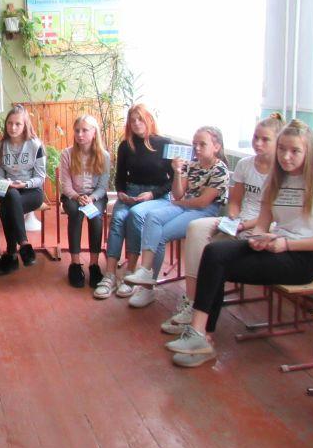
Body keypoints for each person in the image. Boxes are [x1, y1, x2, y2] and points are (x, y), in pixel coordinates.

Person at [166, 119, 313, 367]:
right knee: (214, 252)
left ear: (310, 152)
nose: (286, 156)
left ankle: (203, 336)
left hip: (303, 258)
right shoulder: (277, 180)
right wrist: (259, 238)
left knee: (219, 265)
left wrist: (286, 244)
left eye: (295, 151)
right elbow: (263, 224)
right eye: (282, 149)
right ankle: (198, 333)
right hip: (275, 245)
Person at [162, 114, 283, 334]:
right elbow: (235, 201)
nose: (258, 143)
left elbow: (273, 213)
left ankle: (201, 313)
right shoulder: (245, 164)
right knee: (196, 228)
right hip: (239, 220)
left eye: (265, 139)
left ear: (278, 142)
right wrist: (234, 217)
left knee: (214, 251)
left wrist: (244, 225)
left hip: (267, 226)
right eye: (255, 138)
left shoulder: (282, 171)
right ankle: (192, 300)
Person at [124, 126, 230, 307]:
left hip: (204, 212)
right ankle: (145, 271)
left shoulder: (220, 170)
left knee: (160, 234)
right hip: (184, 205)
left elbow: (203, 203)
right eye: (194, 144)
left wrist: (180, 203)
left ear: (216, 147)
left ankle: (148, 288)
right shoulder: (192, 164)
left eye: (202, 144)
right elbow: (178, 194)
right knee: (152, 217)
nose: (197, 148)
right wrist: (178, 172)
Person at [93, 104, 173, 302]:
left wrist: (152, 194)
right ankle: (110, 275)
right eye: (132, 120)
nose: (136, 123)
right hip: (131, 192)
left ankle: (130, 273)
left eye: (140, 119)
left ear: (149, 119)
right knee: (118, 218)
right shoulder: (126, 145)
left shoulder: (165, 143)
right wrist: (121, 193)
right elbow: (120, 177)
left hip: (157, 196)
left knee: (135, 217)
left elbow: (172, 181)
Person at [0, 105, 47, 276]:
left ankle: (11, 255)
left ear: (25, 125)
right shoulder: (0, 147)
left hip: (32, 191)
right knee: (11, 196)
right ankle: (24, 245)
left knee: (7, 207)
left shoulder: (35, 145)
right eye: (10, 123)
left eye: (18, 124)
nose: (13, 127)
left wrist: (24, 184)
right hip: (8, 189)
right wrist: (6, 183)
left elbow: (40, 178)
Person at [59, 115, 111, 288]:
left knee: (95, 217)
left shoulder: (104, 156)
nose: (80, 134)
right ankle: (75, 264)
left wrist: (91, 198)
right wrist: (77, 197)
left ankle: (94, 265)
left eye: (85, 130)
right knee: (75, 213)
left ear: (94, 132)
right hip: (72, 196)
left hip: (95, 196)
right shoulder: (67, 154)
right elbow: (65, 185)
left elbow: (103, 187)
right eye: (77, 130)